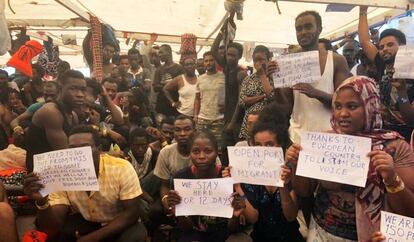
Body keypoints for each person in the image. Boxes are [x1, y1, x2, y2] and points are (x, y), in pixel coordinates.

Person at [287, 76, 414, 242]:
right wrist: (297, 164)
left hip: (373, 237)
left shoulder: (394, 147)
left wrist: (391, 178)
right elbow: (305, 191)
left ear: (370, 106)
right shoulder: (324, 141)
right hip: (322, 232)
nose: (342, 114)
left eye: (352, 106)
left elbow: (409, 211)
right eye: (337, 106)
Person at [23, 125, 147, 242]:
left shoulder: (122, 167)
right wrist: (42, 202)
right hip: (87, 221)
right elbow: (53, 226)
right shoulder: (60, 174)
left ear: (98, 150)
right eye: (72, 149)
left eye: (85, 147)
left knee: (135, 236)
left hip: (119, 223)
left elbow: (132, 213)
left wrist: (93, 238)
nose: (78, 154)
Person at [223, 118, 304, 242]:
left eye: (269, 144)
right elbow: (253, 218)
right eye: (258, 145)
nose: (263, 150)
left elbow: (291, 216)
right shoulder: (249, 176)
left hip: (290, 237)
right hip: (260, 237)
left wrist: (282, 186)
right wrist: (238, 187)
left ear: (280, 145)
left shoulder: (289, 171)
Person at [167, 130, 251, 242]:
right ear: (190, 153)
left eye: (208, 151)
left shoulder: (228, 176)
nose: (201, 156)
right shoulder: (180, 178)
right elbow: (186, 229)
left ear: (217, 152)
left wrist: (235, 215)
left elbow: (233, 229)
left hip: (225, 233)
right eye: (196, 151)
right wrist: (178, 211)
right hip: (194, 233)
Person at [286, 10, 349, 143]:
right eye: (299, 29)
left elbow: (344, 103)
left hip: (329, 137)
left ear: (319, 29)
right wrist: (275, 83)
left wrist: (315, 93)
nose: (303, 32)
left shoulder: (337, 60)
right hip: (297, 137)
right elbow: (285, 106)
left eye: (308, 27)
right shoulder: (289, 63)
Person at [359, 6, 414, 141]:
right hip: (383, 131)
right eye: (381, 47)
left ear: (402, 46)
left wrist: (401, 91)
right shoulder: (381, 64)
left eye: (390, 45)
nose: (384, 49)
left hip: (406, 135)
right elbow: (365, 41)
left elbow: (411, 120)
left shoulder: (412, 71)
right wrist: (363, 10)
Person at [25, 70, 86, 171]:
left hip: (59, 169)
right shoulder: (51, 112)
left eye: (83, 90)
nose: (80, 94)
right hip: (41, 175)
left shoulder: (73, 115)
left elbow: (77, 148)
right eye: (73, 89)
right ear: (61, 89)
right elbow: (66, 155)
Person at [211, 17, 248, 165]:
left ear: (239, 56)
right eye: (228, 54)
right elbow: (214, 50)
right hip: (227, 118)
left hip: (237, 120)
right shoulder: (227, 68)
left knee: (236, 152)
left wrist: (232, 122)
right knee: (225, 151)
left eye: (233, 55)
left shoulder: (240, 73)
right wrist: (222, 32)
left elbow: (241, 99)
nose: (229, 57)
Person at [238, 45, 274, 140]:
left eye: (261, 59)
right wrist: (262, 96)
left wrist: (262, 74)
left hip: (268, 123)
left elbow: (271, 96)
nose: (258, 63)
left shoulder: (274, 77)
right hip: (249, 123)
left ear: (268, 60)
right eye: (255, 60)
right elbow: (243, 101)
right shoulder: (248, 79)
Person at [193, 51, 225, 149]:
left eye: (211, 60)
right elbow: (197, 98)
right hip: (203, 119)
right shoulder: (200, 79)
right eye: (206, 61)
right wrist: (195, 116)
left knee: (217, 148)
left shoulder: (224, 77)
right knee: (202, 146)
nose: (208, 63)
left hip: (219, 120)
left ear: (216, 61)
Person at [153, 44, 185, 122]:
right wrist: (170, 84)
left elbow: (183, 86)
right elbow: (155, 87)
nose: (158, 55)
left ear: (168, 53)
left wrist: (164, 84)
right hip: (162, 106)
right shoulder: (159, 70)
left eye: (161, 52)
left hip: (176, 106)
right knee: (161, 128)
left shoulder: (179, 68)